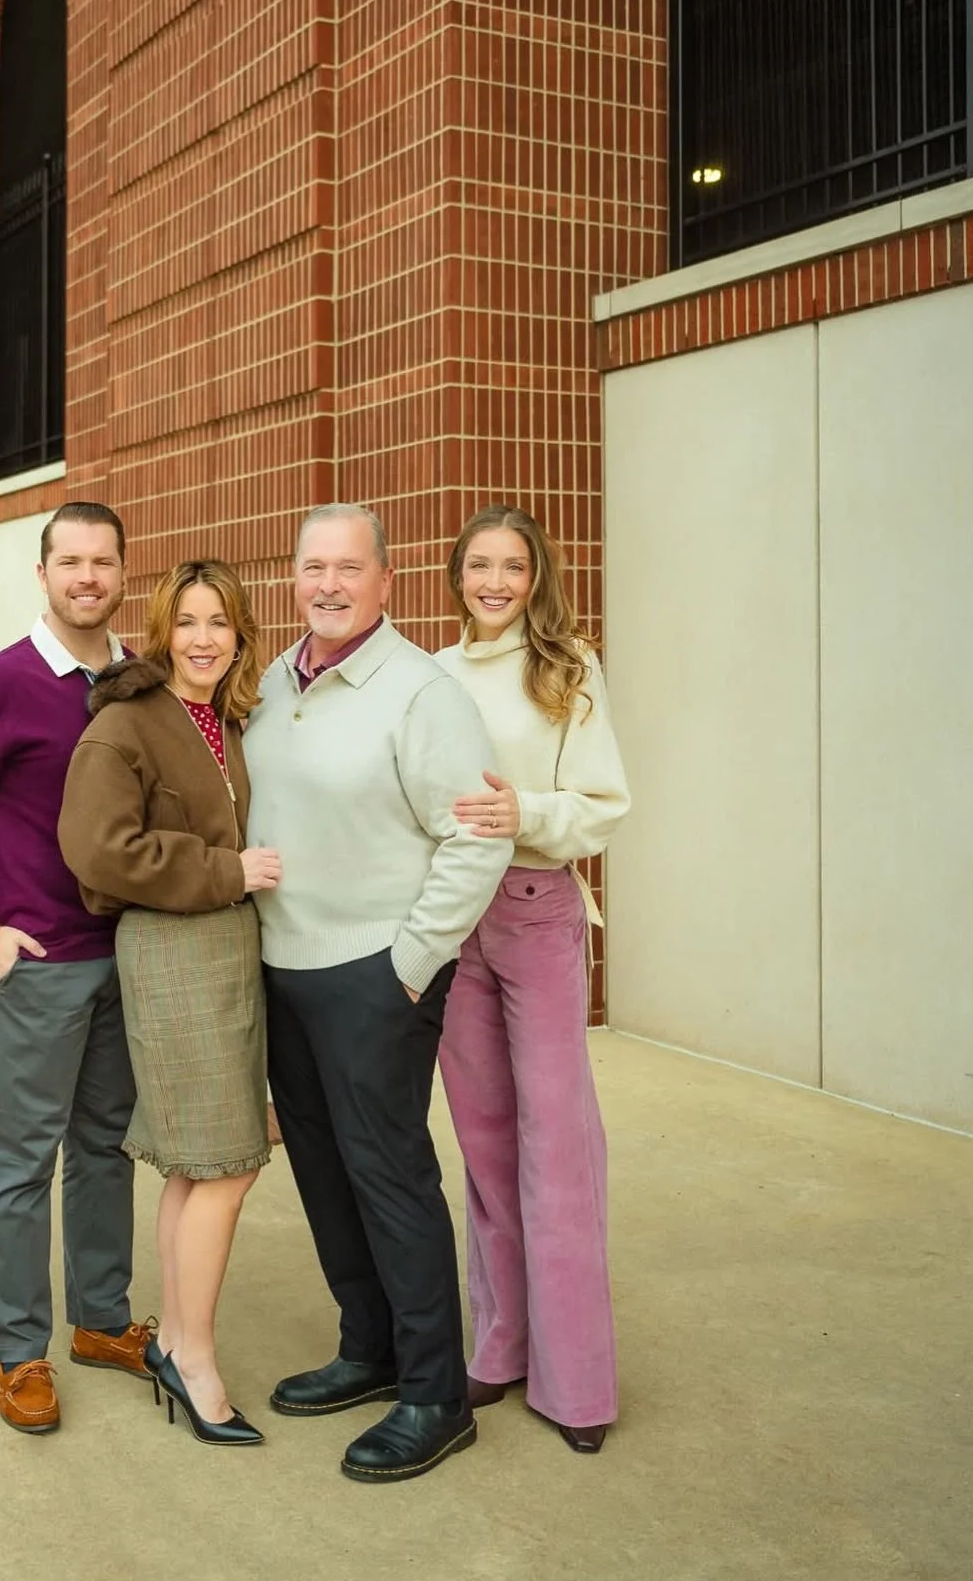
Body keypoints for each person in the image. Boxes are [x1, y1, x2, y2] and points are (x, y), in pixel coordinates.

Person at [243, 504, 512, 1484]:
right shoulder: (275, 681)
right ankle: (371, 1346)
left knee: (389, 1173)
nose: (328, 584)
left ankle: (436, 1393)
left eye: (348, 568)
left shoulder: (422, 692)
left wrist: (411, 960)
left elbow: (476, 832)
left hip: (373, 971)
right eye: (313, 566)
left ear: (385, 581)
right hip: (283, 965)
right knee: (320, 1166)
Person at [0, 502, 154, 1437]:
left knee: (104, 1149)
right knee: (20, 1163)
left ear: (124, 573)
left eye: (103, 562)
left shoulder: (134, 687)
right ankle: (20, 1355)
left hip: (121, 960)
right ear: (43, 575)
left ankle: (100, 1319)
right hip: (36, 967)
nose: (88, 577)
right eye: (71, 562)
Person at [58, 561, 280, 1448]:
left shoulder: (225, 717)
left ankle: (179, 1344)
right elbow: (98, 851)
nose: (202, 639)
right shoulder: (127, 723)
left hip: (227, 947)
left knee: (198, 1163)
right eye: (186, 622)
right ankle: (193, 1361)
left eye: (219, 622)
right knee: (228, 1161)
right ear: (161, 631)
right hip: (175, 946)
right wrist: (226, 871)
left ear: (239, 633)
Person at [437, 504, 630, 1453]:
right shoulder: (430, 676)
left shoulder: (567, 666)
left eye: (513, 566)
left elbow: (603, 806)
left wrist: (525, 811)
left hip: (537, 907)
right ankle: (501, 1344)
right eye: (480, 565)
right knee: (482, 1143)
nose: (496, 582)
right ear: (457, 574)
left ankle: (579, 1383)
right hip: (454, 920)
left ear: (536, 574)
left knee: (558, 1145)